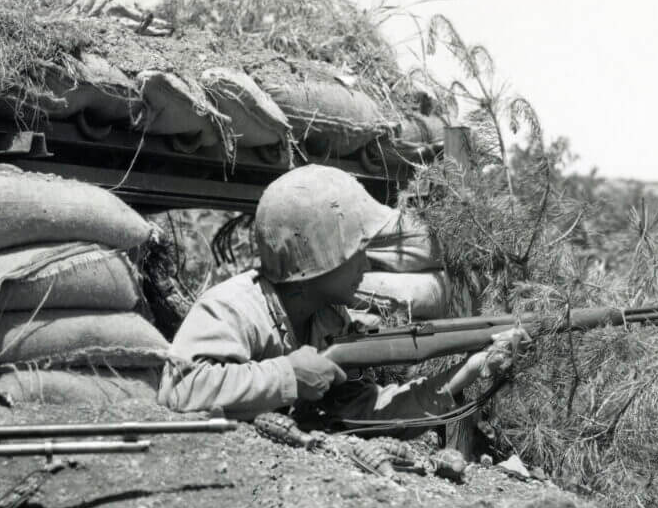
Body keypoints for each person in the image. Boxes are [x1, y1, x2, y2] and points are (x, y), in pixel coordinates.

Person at [157, 165, 521, 425]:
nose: (366, 262)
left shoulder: (328, 319)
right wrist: (288, 376)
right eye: (356, 249)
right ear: (320, 257)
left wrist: (472, 369)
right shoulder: (231, 309)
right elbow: (182, 390)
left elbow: (363, 414)